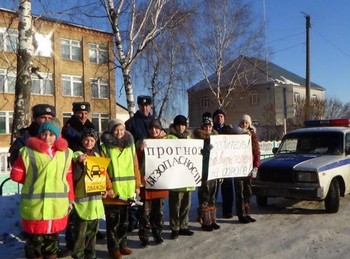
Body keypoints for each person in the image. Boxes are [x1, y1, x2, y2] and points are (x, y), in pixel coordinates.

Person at [10, 118, 74, 259]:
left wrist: (71, 199)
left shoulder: (67, 153)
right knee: (35, 243)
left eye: (51, 134)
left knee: (52, 241)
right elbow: (16, 174)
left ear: (57, 136)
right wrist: (34, 183)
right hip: (35, 205)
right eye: (44, 133)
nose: (47, 137)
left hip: (57, 205)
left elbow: (68, 178)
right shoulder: (28, 152)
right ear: (39, 134)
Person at [60, 101, 103, 258]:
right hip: (74, 172)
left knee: (88, 220)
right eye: (80, 113)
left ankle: (87, 248)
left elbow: (96, 150)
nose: (83, 115)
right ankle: (72, 246)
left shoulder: (91, 126)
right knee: (74, 220)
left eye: (85, 113)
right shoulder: (68, 128)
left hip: (92, 181)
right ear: (74, 113)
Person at [100, 118, 141, 259]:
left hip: (127, 191)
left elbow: (135, 166)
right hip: (113, 193)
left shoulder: (130, 146)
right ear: (111, 131)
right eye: (116, 130)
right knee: (113, 223)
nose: (119, 133)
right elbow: (102, 170)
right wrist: (108, 187)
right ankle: (113, 248)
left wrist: (137, 185)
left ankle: (123, 244)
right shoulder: (104, 147)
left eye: (122, 130)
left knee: (124, 221)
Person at [71, 128, 105, 259]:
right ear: (82, 140)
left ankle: (91, 254)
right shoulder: (77, 154)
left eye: (91, 140)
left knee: (92, 233)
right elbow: (74, 161)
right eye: (86, 140)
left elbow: (101, 176)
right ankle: (78, 255)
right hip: (82, 204)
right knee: (80, 234)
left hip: (95, 202)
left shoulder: (97, 156)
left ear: (95, 141)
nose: (89, 142)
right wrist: (78, 160)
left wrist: (104, 189)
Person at [136, 119, 168, 247]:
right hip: (146, 183)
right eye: (151, 128)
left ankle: (157, 233)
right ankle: (144, 236)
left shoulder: (167, 141)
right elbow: (135, 161)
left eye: (156, 128)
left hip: (161, 182)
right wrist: (140, 150)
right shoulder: (141, 142)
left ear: (160, 129)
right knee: (144, 213)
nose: (154, 131)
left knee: (158, 212)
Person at [125, 95, 153, 232]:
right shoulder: (131, 122)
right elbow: (126, 142)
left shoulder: (155, 121)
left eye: (147, 105)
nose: (145, 108)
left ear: (150, 106)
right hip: (135, 161)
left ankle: (148, 219)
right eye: (142, 105)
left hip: (152, 163)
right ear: (138, 106)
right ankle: (133, 220)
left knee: (149, 192)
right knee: (135, 192)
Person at [167, 115, 195, 239]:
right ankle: (175, 228)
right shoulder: (169, 138)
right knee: (175, 205)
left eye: (183, 125)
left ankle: (184, 226)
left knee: (186, 204)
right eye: (179, 125)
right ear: (175, 126)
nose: (181, 127)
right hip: (175, 177)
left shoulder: (189, 138)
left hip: (188, 178)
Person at [193, 113, 220, 231]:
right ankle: (205, 221)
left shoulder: (217, 138)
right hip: (203, 171)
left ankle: (212, 219)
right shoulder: (199, 138)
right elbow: (195, 155)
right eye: (206, 126)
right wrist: (204, 151)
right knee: (204, 195)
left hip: (214, 171)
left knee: (213, 196)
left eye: (209, 126)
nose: (208, 129)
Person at [233, 114, 260, 223]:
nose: (244, 125)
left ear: (249, 124)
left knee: (248, 192)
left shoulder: (252, 136)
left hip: (248, 168)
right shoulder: (234, 135)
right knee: (239, 192)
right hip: (238, 169)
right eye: (243, 122)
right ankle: (241, 214)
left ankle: (247, 213)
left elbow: (256, 152)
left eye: (246, 123)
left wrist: (256, 167)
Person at [212, 109, 234, 219]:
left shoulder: (229, 130)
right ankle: (211, 213)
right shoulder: (210, 130)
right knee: (213, 191)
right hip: (214, 165)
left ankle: (227, 211)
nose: (219, 118)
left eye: (221, 116)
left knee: (228, 189)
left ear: (224, 118)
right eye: (217, 116)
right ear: (213, 118)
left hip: (226, 165)